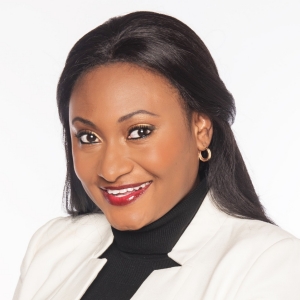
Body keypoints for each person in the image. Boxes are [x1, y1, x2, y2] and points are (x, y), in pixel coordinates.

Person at [13, 11, 300, 300]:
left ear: (201, 129)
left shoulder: (267, 263)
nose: (110, 170)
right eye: (89, 137)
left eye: (139, 132)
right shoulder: (51, 247)